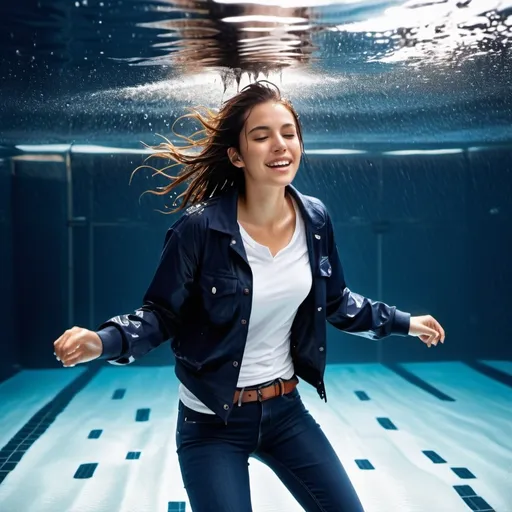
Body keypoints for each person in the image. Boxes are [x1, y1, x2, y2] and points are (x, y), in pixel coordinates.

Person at [53, 80, 445, 512]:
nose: (280, 145)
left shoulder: (315, 219)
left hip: (286, 412)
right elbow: (162, 315)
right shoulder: (199, 229)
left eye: (288, 133)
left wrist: (406, 322)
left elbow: (335, 302)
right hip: (211, 423)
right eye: (261, 136)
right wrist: (103, 340)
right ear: (237, 155)